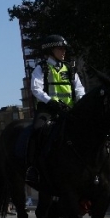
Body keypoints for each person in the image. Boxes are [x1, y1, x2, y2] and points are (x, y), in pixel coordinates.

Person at [25, 34, 86, 187]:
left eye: (64, 49)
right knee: (37, 130)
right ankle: (33, 168)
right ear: (51, 50)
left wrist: (80, 102)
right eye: (60, 49)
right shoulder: (42, 68)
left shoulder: (70, 69)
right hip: (49, 109)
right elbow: (36, 89)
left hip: (70, 110)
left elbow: (79, 89)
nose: (63, 52)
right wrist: (51, 102)